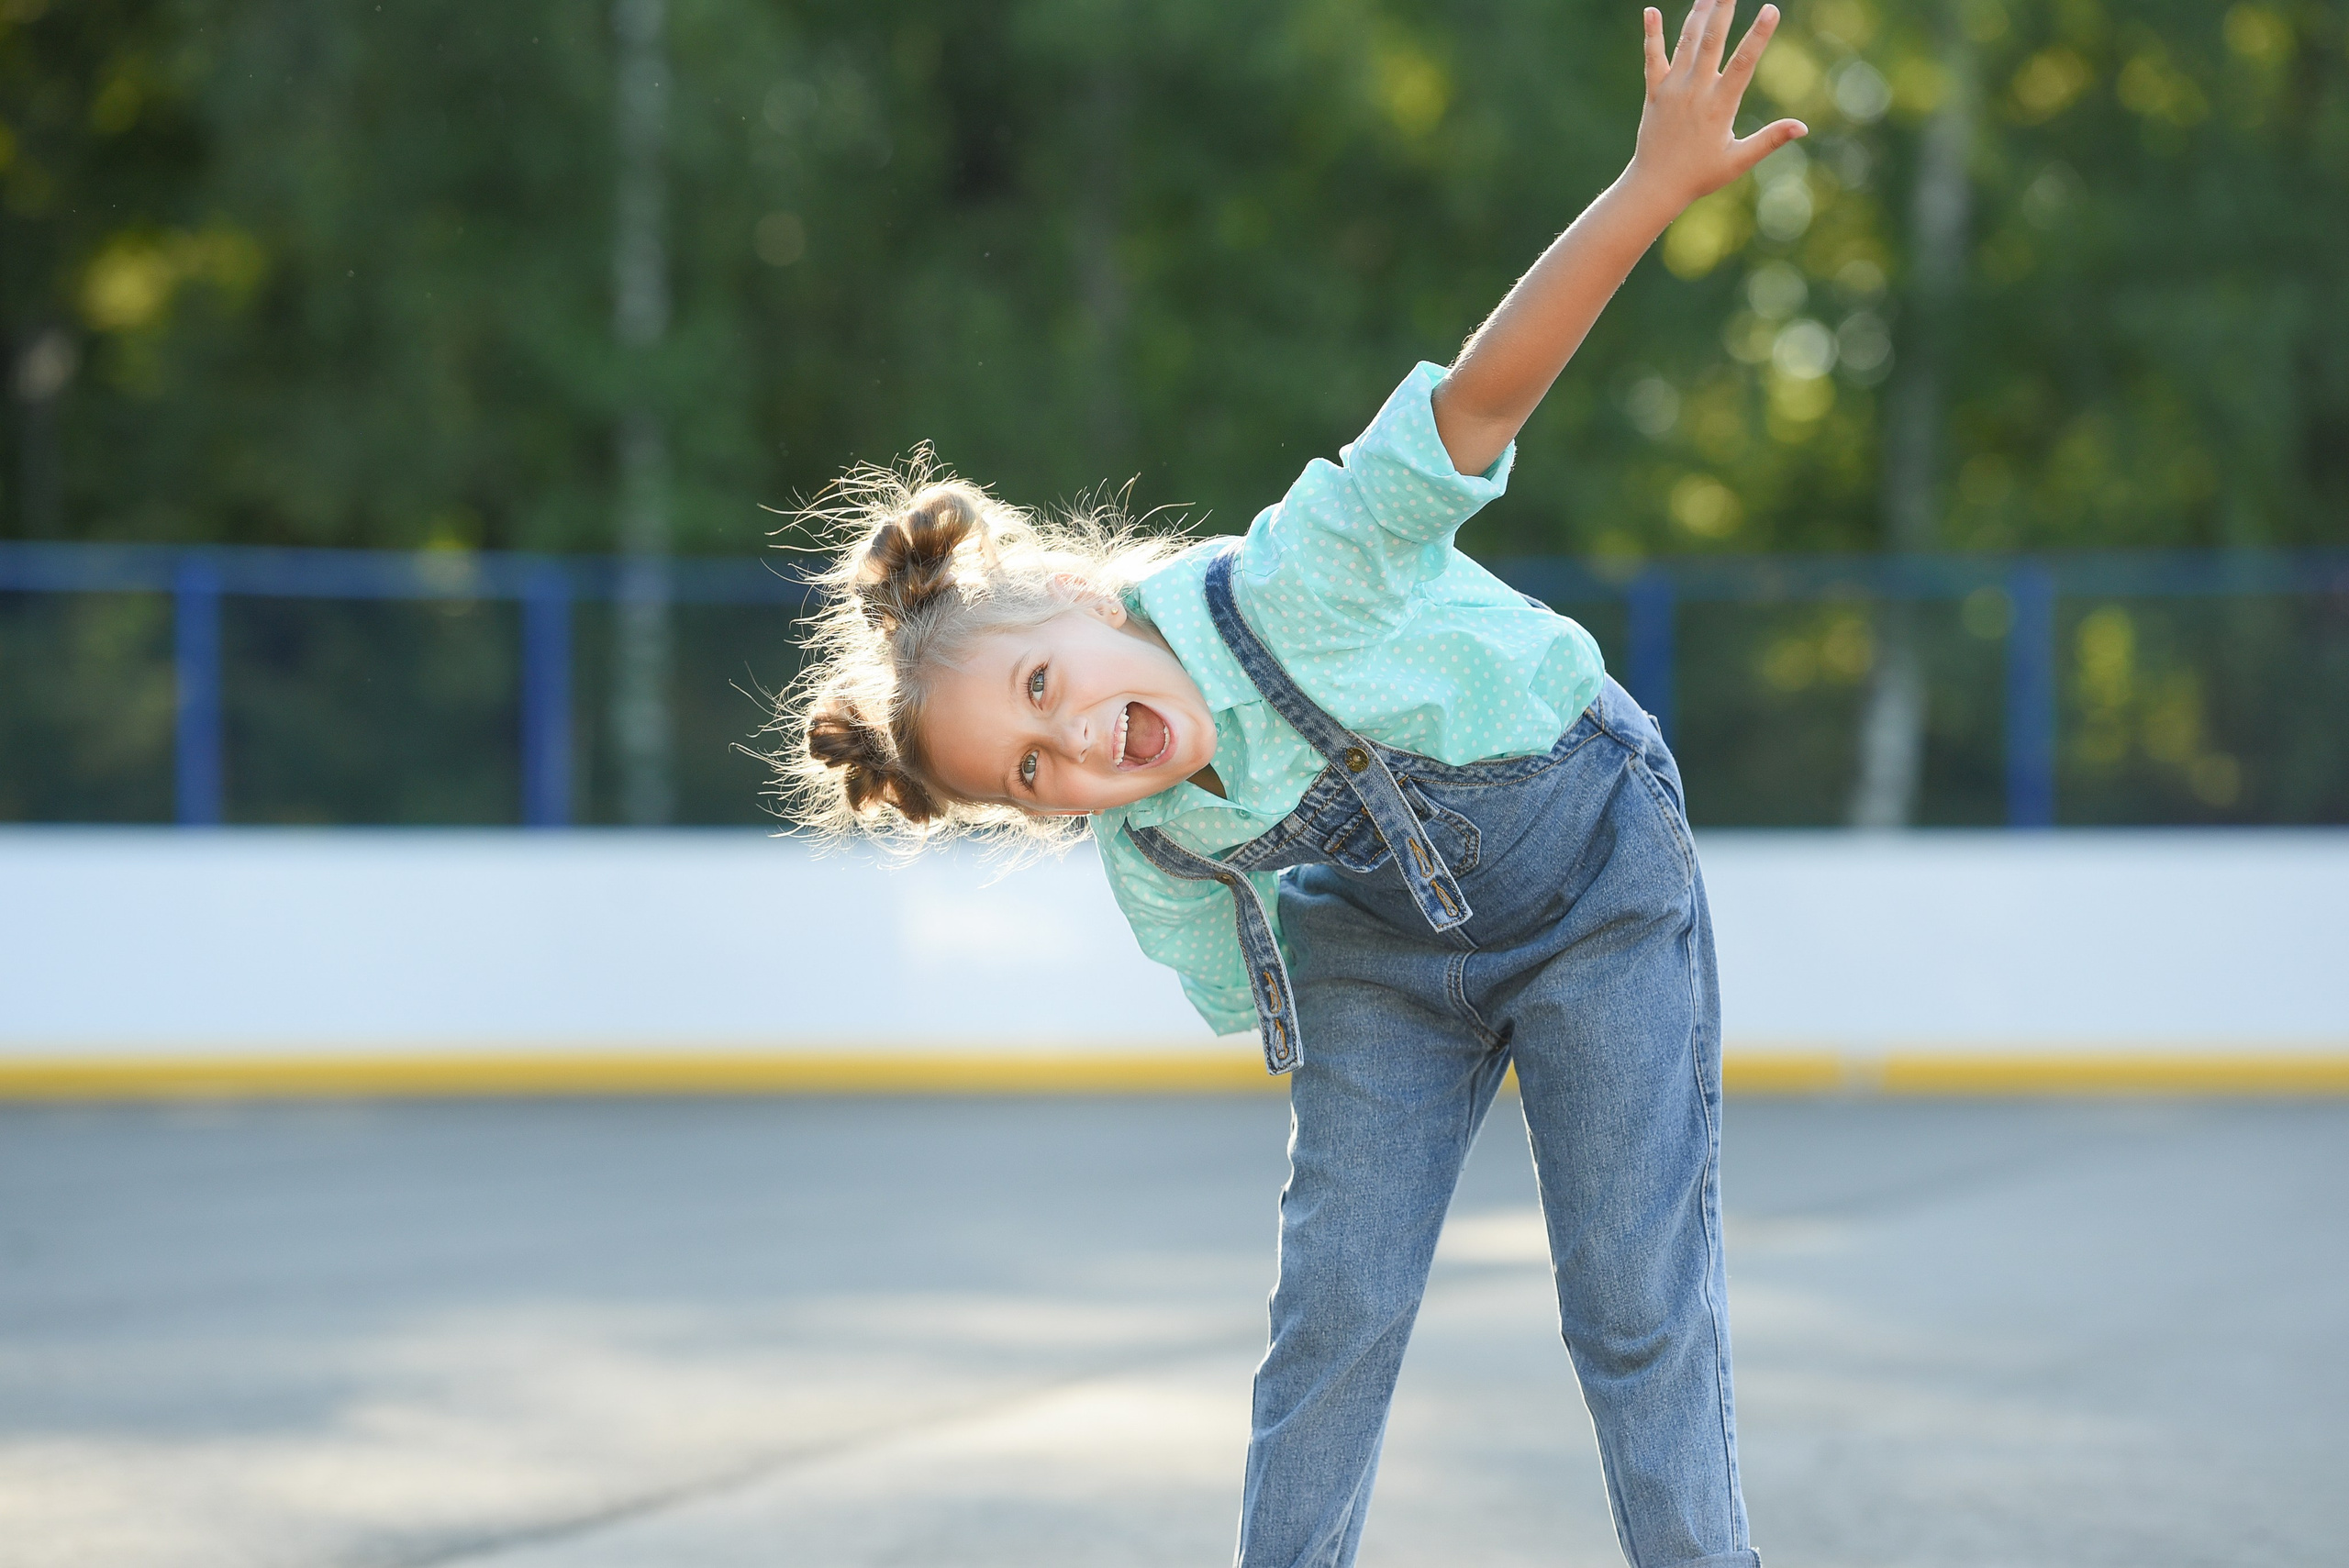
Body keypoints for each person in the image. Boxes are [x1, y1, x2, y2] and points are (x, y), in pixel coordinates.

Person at [777, 4, 1802, 1562]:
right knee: (1329, 1321)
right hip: (1379, 963)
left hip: (1593, 871)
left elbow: (1481, 400)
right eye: (1033, 776)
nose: (1075, 756)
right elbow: (1288, 1005)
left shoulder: (1300, 578)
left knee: (1632, 1305)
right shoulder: (1157, 854)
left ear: (1081, 594)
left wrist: (1649, 189)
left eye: (1046, 690)